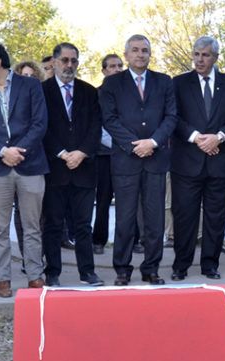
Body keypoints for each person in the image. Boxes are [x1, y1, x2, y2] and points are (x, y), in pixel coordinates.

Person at [99, 34, 177, 286]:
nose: (140, 54)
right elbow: (109, 120)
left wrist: (152, 142)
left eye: (144, 50)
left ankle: (151, 268)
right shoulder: (113, 84)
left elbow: (171, 117)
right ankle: (122, 269)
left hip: (155, 159)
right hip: (125, 161)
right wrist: (135, 146)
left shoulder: (164, 82)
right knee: (125, 218)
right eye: (135, 50)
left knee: (155, 219)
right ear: (126, 55)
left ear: (150, 54)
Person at [0, 42, 50, 297]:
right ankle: (3, 277)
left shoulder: (30, 86)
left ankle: (35, 276)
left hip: (30, 165)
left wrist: (18, 151)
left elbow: (40, 123)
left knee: (32, 225)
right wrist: (2, 152)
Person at [169, 36, 225, 281]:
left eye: (205, 55)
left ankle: (210, 264)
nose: (200, 59)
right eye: (197, 54)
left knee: (216, 217)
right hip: (187, 162)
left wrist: (219, 137)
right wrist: (197, 138)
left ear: (215, 58)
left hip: (222, 163)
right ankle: (181, 264)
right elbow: (173, 117)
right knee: (184, 215)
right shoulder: (178, 83)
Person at [39, 42, 103, 287]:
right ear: (54, 62)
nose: (69, 65)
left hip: (84, 168)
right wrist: (63, 153)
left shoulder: (89, 91)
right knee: (53, 224)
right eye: (65, 60)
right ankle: (52, 272)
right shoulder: (42, 91)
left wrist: (83, 152)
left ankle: (87, 272)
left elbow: (96, 126)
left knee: (83, 225)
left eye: (74, 61)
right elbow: (41, 127)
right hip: (55, 168)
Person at [91, 53, 124, 256]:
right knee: (103, 199)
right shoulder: (96, 94)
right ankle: (99, 240)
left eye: (120, 65)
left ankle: (131, 239)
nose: (117, 69)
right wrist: (118, 143)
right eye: (112, 66)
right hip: (104, 155)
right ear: (104, 70)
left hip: (127, 154)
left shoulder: (130, 92)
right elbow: (96, 125)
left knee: (128, 200)